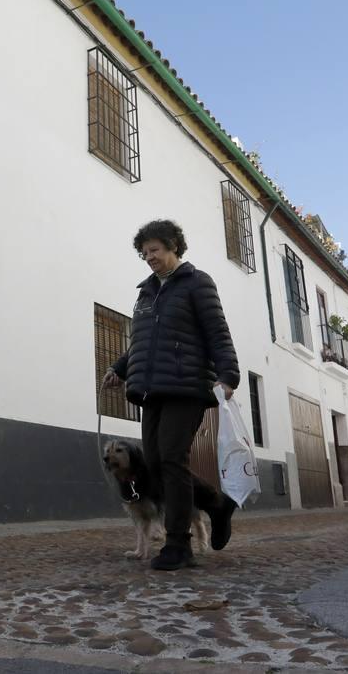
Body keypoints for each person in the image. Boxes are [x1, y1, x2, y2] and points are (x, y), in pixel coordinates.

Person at [101, 219, 240, 570]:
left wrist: (228, 375)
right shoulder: (146, 292)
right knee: (156, 463)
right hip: (152, 390)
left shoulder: (197, 283)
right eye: (144, 252)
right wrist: (119, 368)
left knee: (171, 459)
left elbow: (217, 332)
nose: (149, 257)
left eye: (155, 250)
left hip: (187, 386)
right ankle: (216, 502)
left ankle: (179, 544)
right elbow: (143, 343)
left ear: (174, 246)